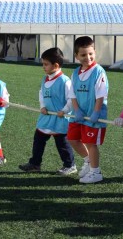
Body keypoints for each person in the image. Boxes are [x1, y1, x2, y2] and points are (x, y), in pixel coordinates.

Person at [19, 47, 76, 175]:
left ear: (56, 65)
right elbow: (42, 94)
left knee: (62, 143)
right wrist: (42, 106)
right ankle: (35, 163)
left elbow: (72, 99)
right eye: (43, 64)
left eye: (45, 64)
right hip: (46, 116)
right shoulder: (45, 79)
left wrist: (65, 110)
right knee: (38, 139)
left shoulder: (65, 81)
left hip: (60, 118)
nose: (43, 67)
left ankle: (70, 165)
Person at [68, 36, 109, 184]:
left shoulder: (99, 72)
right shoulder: (75, 73)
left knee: (91, 143)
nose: (88, 57)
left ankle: (95, 172)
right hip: (78, 115)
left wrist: (96, 112)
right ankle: (87, 161)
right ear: (76, 56)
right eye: (83, 55)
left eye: (90, 53)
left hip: (94, 116)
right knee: (72, 139)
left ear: (95, 52)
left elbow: (101, 95)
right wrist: (77, 110)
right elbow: (72, 93)